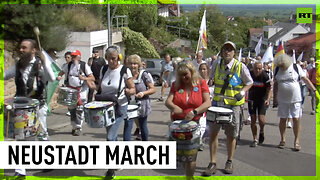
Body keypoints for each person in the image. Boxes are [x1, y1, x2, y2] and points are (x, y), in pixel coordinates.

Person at [3, 39, 56, 177]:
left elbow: (51, 78)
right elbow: (4, 75)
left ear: (33, 50)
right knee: (21, 138)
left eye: (24, 48)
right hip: (22, 108)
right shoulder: (18, 66)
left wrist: (45, 62)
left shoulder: (40, 65)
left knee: (41, 134)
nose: (21, 50)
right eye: (20, 48)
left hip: (38, 106)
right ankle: (20, 172)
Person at [203, 41, 253, 176]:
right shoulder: (216, 64)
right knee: (213, 133)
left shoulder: (240, 66)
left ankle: (229, 161)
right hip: (218, 104)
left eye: (230, 49)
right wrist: (210, 82)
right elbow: (211, 78)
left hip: (233, 106)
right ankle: (212, 163)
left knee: (231, 135)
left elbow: (249, 82)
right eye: (225, 49)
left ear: (234, 52)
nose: (227, 52)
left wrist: (241, 93)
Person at [92, 46, 135, 178]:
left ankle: (111, 170)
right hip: (105, 108)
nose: (111, 61)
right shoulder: (103, 69)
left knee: (110, 137)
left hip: (120, 107)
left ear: (119, 58)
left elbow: (132, 88)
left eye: (114, 59)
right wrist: (91, 87)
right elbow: (100, 87)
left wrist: (129, 91)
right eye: (109, 59)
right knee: (114, 136)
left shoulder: (124, 70)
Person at [165, 61, 211, 179]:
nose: (183, 77)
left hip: (195, 124)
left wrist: (195, 111)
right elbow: (168, 101)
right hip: (178, 126)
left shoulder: (201, 83)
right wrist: (175, 107)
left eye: (186, 74)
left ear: (192, 72)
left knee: (191, 154)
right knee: (181, 155)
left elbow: (207, 102)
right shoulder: (176, 85)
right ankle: (188, 174)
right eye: (180, 75)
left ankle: (189, 177)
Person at [273, 54, 317, 151]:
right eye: (280, 66)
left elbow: (305, 79)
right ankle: (282, 139)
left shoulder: (296, 67)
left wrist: (314, 90)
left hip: (296, 99)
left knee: (296, 119)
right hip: (282, 99)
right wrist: (275, 98)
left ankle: (296, 141)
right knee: (283, 119)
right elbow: (275, 84)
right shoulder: (277, 69)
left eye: (282, 66)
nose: (281, 68)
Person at [56, 50, 95, 136]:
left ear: (79, 57)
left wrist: (84, 78)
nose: (73, 58)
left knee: (79, 109)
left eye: (75, 56)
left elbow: (92, 78)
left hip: (81, 90)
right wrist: (59, 76)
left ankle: (78, 127)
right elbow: (62, 72)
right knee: (72, 109)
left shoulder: (84, 65)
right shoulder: (69, 65)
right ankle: (74, 126)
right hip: (71, 89)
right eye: (72, 56)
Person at [123, 54, 156, 141]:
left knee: (142, 125)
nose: (133, 66)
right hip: (130, 103)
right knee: (127, 125)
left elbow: (153, 89)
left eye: (135, 64)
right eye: (131, 64)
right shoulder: (126, 75)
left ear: (138, 65)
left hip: (142, 103)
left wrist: (143, 93)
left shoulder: (144, 74)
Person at [248, 61, 272, 147]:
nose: (257, 70)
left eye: (259, 68)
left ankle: (261, 130)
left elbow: (269, 89)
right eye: (256, 68)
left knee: (261, 119)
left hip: (262, 99)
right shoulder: (250, 74)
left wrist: (268, 99)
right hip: (252, 99)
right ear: (253, 68)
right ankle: (255, 139)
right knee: (253, 119)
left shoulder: (265, 76)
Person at [61, 51, 72, 116]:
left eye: (68, 57)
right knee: (68, 97)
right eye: (66, 57)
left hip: (73, 83)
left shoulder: (74, 65)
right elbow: (61, 72)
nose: (67, 59)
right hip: (67, 82)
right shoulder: (65, 65)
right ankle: (69, 110)